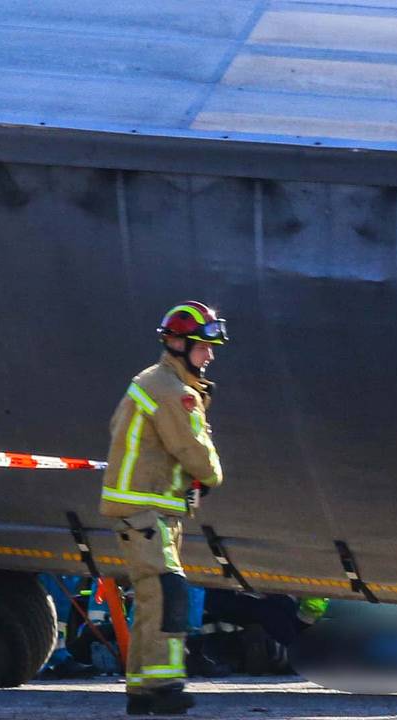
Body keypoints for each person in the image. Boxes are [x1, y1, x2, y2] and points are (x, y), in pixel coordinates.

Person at [100, 301, 227, 716]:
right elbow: (192, 450)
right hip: (144, 511)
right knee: (167, 593)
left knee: (152, 597)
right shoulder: (172, 392)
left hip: (150, 510)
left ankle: (141, 690)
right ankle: (164, 686)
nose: (209, 356)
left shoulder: (159, 382)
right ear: (177, 344)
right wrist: (211, 476)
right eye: (203, 347)